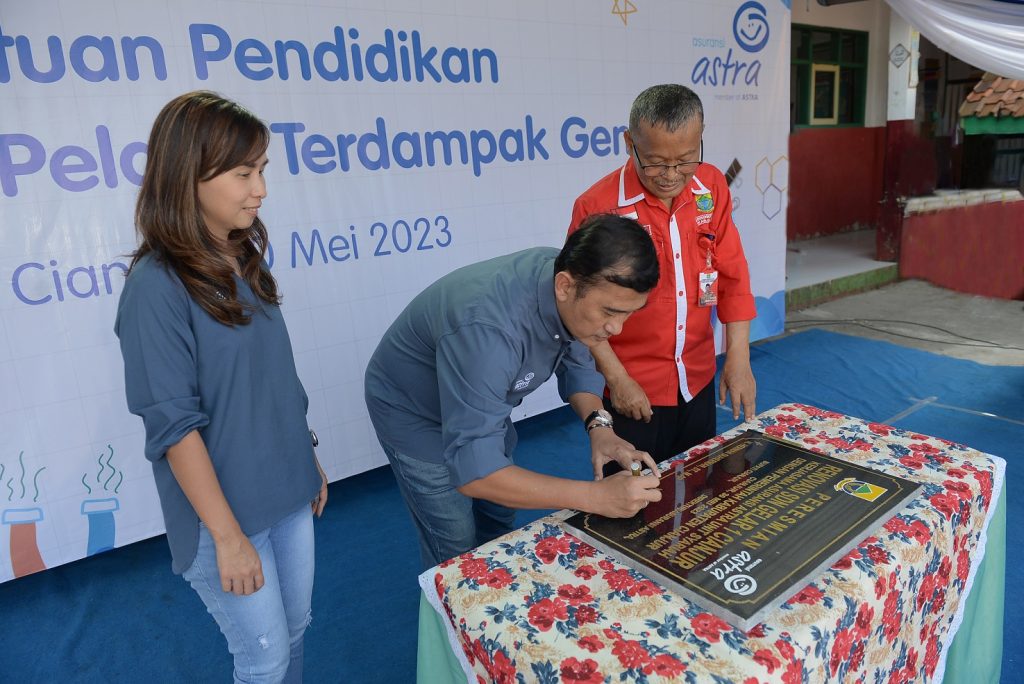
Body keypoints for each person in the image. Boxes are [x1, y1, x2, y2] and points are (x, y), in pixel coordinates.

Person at [115, 91, 328, 683]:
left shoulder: (243, 257)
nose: (260, 188)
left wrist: (306, 456)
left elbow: (275, 380)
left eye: (261, 170)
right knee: (263, 659)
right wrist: (229, 538)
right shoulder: (154, 288)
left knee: (296, 629)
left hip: (287, 487)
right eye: (243, 172)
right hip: (225, 515)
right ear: (189, 174)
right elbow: (174, 426)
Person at [365, 215, 664, 569]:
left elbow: (578, 351)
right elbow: (478, 473)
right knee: (456, 544)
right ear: (565, 286)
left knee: (499, 514)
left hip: (480, 395)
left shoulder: (568, 277)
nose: (616, 328)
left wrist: (600, 427)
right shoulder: (489, 332)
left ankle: (493, 575)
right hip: (413, 411)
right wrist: (594, 497)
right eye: (610, 312)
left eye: (628, 314)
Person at [568, 83, 757, 471]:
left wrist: (738, 356)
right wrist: (617, 379)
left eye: (686, 159)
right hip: (633, 391)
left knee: (704, 493)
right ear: (629, 143)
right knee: (635, 507)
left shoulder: (711, 186)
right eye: (655, 162)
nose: (672, 175)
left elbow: (733, 275)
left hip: (699, 377)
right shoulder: (598, 206)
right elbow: (579, 310)